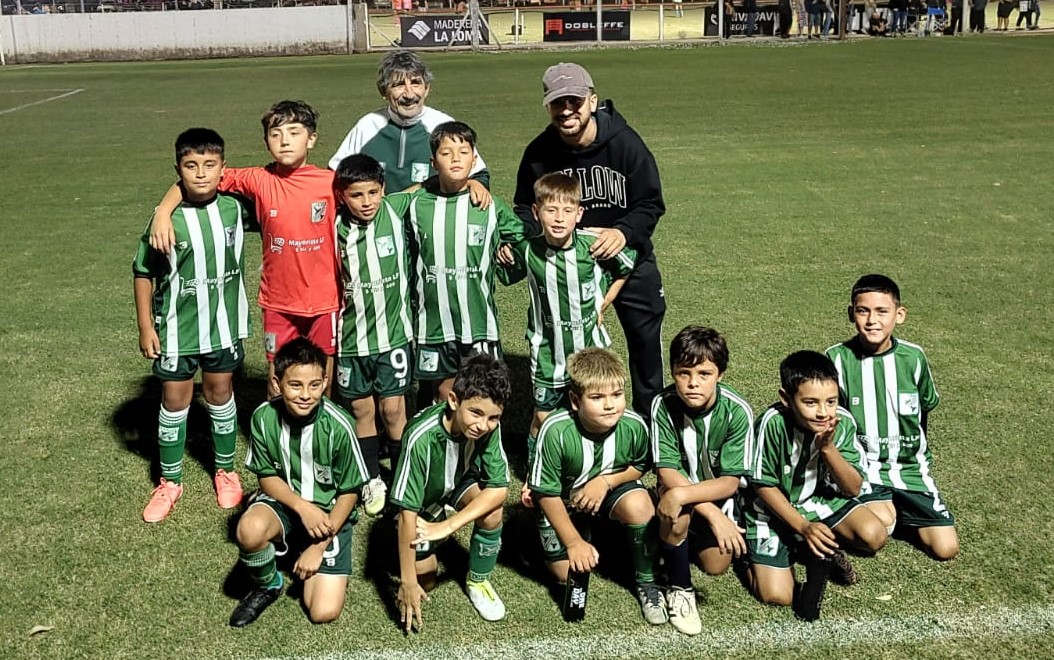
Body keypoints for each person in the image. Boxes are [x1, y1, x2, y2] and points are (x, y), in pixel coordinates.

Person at [150, 101, 340, 399]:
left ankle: (318, 439)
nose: (285, 140)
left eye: (294, 132)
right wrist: (163, 212)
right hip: (278, 300)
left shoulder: (331, 182)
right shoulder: (258, 179)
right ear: (266, 142)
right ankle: (276, 439)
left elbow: (369, 197)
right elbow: (199, 178)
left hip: (324, 299)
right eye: (276, 134)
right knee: (278, 377)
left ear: (312, 139)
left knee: (323, 377)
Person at [514, 63, 666, 422]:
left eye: (575, 101)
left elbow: (651, 202)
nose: (566, 110)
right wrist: (541, 238)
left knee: (644, 343)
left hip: (625, 257)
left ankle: (650, 424)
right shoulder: (539, 152)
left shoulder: (626, 143)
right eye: (557, 103)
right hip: (566, 261)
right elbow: (523, 207)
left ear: (592, 101)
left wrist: (623, 232)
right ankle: (569, 426)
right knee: (564, 343)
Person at [132, 128, 250, 523]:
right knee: (175, 401)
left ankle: (225, 469)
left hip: (223, 326)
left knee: (219, 394)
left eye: (209, 165)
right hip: (176, 330)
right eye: (191, 166)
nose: (200, 174)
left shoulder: (236, 208)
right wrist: (146, 326)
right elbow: (143, 272)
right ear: (178, 169)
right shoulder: (165, 219)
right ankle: (170, 480)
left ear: (222, 168)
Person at [228, 338, 371, 627]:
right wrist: (302, 508)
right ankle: (268, 584)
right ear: (277, 383)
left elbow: (350, 492)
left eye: (314, 385)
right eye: (295, 385)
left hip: (330, 514)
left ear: (325, 381)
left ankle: (305, 547)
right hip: (287, 504)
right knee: (248, 529)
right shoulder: (263, 417)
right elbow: (266, 475)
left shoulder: (339, 425)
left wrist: (320, 545)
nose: (306, 395)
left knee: (322, 611)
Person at [527, 348, 667, 626]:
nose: (610, 405)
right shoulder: (555, 431)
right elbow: (545, 492)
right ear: (575, 401)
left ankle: (647, 582)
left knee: (640, 505)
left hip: (610, 492)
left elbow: (640, 466)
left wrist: (605, 482)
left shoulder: (634, 425)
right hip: (564, 503)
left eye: (616, 395)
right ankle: (583, 533)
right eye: (597, 397)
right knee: (565, 572)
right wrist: (573, 542)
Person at [501, 172, 634, 463]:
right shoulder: (527, 249)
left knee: (594, 413)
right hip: (547, 353)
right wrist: (501, 251)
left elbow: (627, 264)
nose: (559, 218)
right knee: (543, 417)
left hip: (591, 349)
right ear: (536, 212)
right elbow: (504, 272)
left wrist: (606, 300)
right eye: (551, 210)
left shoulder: (593, 245)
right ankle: (537, 476)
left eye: (567, 210)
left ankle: (595, 468)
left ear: (579, 213)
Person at [826, 274, 959, 561]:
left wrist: (915, 453)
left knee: (946, 548)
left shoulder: (914, 358)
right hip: (864, 467)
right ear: (851, 314)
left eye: (882, 311)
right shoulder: (837, 358)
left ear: (899, 315)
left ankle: (898, 507)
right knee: (879, 530)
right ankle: (877, 511)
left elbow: (924, 411)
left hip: (909, 468)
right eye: (863, 311)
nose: (872, 320)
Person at [744, 350, 888, 613]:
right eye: (810, 402)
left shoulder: (841, 422)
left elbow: (853, 487)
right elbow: (763, 485)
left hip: (816, 499)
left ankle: (809, 546)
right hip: (772, 509)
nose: (823, 412)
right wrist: (803, 527)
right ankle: (752, 555)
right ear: (786, 398)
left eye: (830, 401)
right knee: (777, 595)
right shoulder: (772, 424)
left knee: (874, 535)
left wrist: (828, 449)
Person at [390, 354, 512, 630]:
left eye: (493, 418)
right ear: (454, 400)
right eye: (476, 413)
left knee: (493, 512)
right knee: (425, 581)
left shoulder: (489, 427)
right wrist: (407, 581)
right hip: (422, 501)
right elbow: (408, 511)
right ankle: (402, 545)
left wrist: (447, 526)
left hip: (458, 482)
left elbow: (500, 488)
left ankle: (478, 580)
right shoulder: (420, 438)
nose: (484, 425)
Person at [404, 121, 523, 404]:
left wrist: (508, 250)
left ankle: (484, 447)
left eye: (464, 151)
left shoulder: (489, 205)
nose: (456, 158)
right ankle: (440, 446)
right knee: (441, 394)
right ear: (433, 162)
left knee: (485, 393)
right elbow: (382, 207)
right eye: (447, 153)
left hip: (479, 322)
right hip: (432, 322)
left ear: (474, 158)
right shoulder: (416, 203)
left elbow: (523, 239)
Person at [651, 326, 753, 635]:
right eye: (683, 373)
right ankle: (680, 589)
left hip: (716, 493)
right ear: (672, 371)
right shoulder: (663, 405)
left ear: (720, 374)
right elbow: (666, 471)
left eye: (704, 373)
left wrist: (709, 509)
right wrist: (710, 514)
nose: (693, 383)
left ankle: (667, 542)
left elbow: (730, 483)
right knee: (676, 510)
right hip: (675, 490)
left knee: (716, 564)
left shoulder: (737, 411)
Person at [332, 154, 415, 517]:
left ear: (383, 189)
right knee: (361, 409)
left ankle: (402, 478)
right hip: (351, 338)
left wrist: (476, 182)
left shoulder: (397, 210)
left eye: (373, 192)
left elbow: (428, 186)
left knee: (393, 408)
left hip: (393, 336)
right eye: (356, 195)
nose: (366, 202)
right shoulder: (333, 227)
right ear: (341, 196)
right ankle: (371, 480)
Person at [328, 51, 489, 197]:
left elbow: (479, 174)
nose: (409, 94)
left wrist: (476, 183)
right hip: (379, 224)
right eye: (398, 85)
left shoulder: (442, 125)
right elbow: (334, 174)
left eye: (416, 83)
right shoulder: (368, 126)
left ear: (427, 89)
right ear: (383, 91)